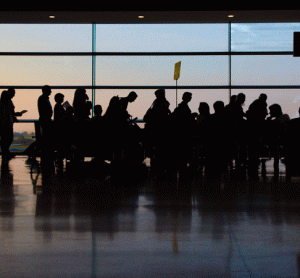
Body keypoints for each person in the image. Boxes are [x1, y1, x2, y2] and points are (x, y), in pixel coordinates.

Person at [0, 89, 27, 160]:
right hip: (7, 124)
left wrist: (16, 116)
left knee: (5, 139)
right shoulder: (8, 102)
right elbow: (11, 112)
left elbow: (10, 113)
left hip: (5, 124)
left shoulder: (4, 103)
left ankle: (5, 153)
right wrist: (18, 114)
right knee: (8, 139)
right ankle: (6, 152)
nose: (13, 95)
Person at [37, 85, 53, 162]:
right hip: (45, 120)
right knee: (46, 137)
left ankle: (45, 155)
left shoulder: (43, 98)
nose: (51, 91)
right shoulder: (43, 99)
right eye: (49, 90)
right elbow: (44, 111)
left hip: (45, 120)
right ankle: (46, 154)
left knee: (46, 137)